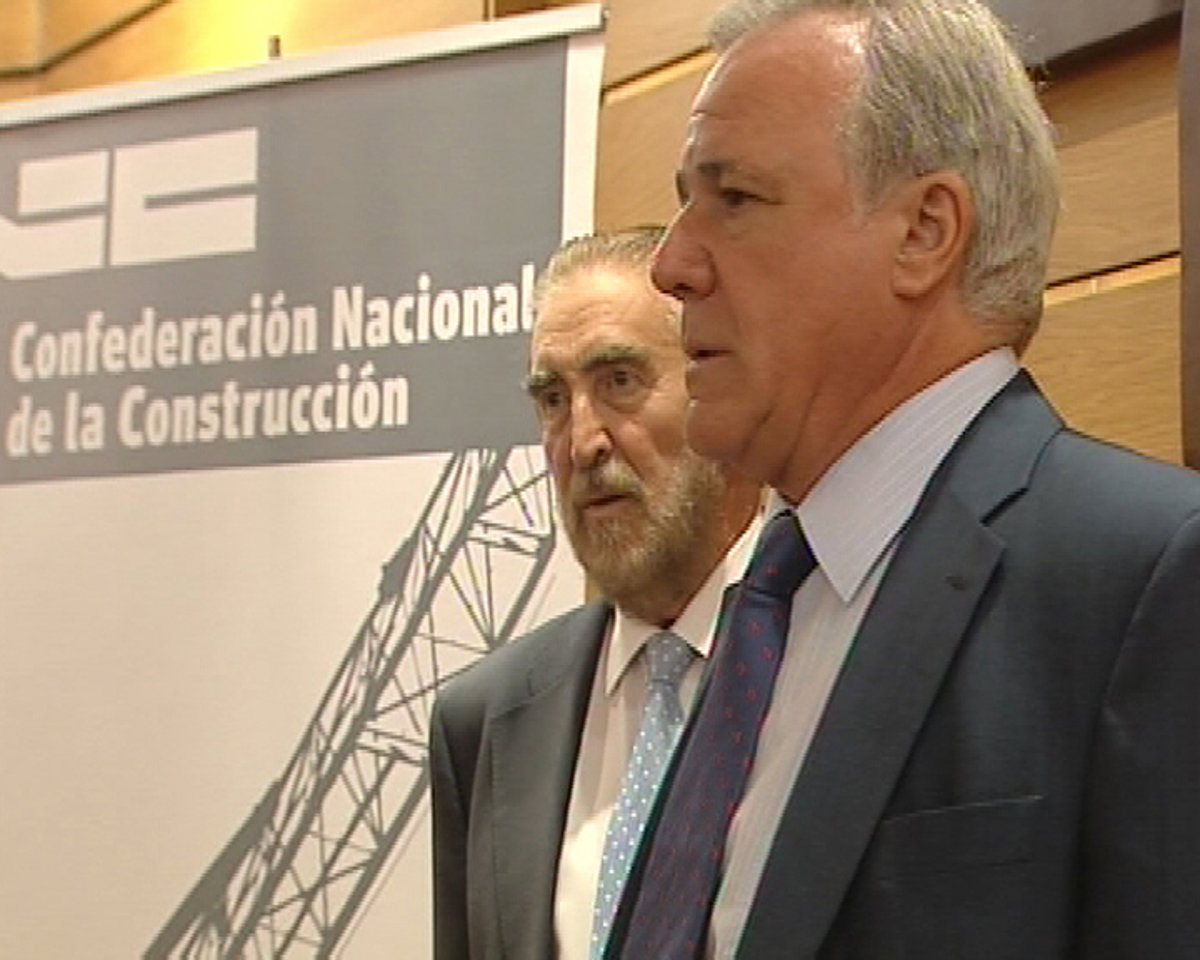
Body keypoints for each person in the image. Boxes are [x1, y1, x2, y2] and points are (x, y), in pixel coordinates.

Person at [604, 1, 1200, 958]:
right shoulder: (766, 599)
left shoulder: (1152, 578)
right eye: (684, 203)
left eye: (735, 198)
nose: (670, 265)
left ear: (925, 231)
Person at [428, 226, 763, 960]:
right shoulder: (485, 721)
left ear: (721, 387)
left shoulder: (828, 655)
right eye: (553, 400)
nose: (582, 443)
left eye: (619, 382)